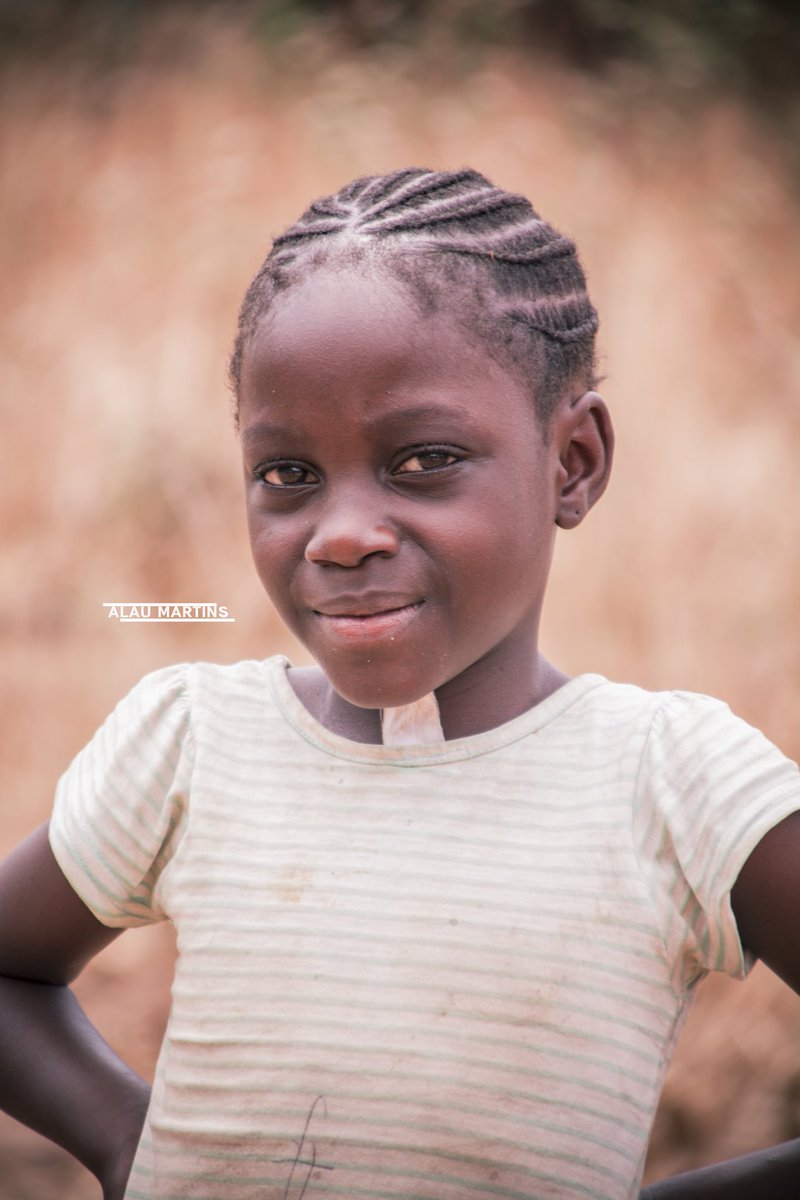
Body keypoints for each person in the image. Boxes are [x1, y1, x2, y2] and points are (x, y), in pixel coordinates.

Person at [0, 167, 798, 1200]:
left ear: (573, 461)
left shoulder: (676, 783)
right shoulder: (192, 741)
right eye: (286, 474)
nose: (340, 535)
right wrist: (123, 1141)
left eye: (421, 459)